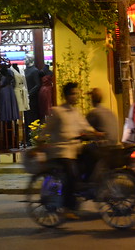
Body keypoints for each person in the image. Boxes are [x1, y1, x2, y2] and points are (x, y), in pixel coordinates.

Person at [42, 82, 96, 219]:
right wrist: (40, 142)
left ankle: (79, 196)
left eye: (76, 93)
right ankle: (66, 207)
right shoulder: (57, 111)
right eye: (72, 93)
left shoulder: (75, 112)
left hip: (74, 150)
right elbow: (47, 129)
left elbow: (85, 126)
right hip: (61, 151)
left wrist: (97, 133)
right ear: (66, 95)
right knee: (71, 175)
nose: (75, 96)